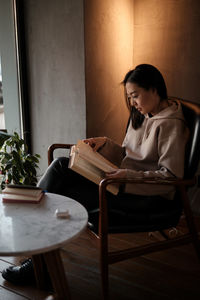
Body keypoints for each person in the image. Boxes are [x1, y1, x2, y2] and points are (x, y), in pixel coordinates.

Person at [2, 64, 189, 284]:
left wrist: (124, 176)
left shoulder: (171, 125)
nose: (132, 103)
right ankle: (39, 259)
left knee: (64, 188)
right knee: (63, 165)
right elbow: (129, 154)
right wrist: (104, 144)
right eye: (129, 97)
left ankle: (34, 249)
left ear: (155, 89)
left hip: (143, 196)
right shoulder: (145, 114)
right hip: (119, 182)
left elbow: (170, 178)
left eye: (135, 96)